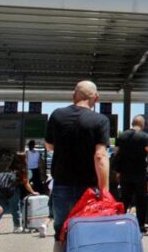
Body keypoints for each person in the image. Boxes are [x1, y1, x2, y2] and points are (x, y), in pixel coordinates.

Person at [44, 80, 110, 252]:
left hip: (61, 185)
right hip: (88, 188)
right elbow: (100, 156)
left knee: (61, 233)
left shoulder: (57, 115)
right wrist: (105, 189)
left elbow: (49, 146)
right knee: (88, 232)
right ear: (96, 98)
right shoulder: (100, 120)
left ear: (74, 96)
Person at [113, 115, 148, 233]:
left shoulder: (122, 136)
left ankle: (119, 223)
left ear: (132, 123)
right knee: (141, 200)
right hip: (140, 173)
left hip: (125, 174)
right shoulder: (144, 137)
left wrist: (117, 171)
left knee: (124, 199)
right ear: (143, 124)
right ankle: (141, 225)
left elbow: (116, 153)